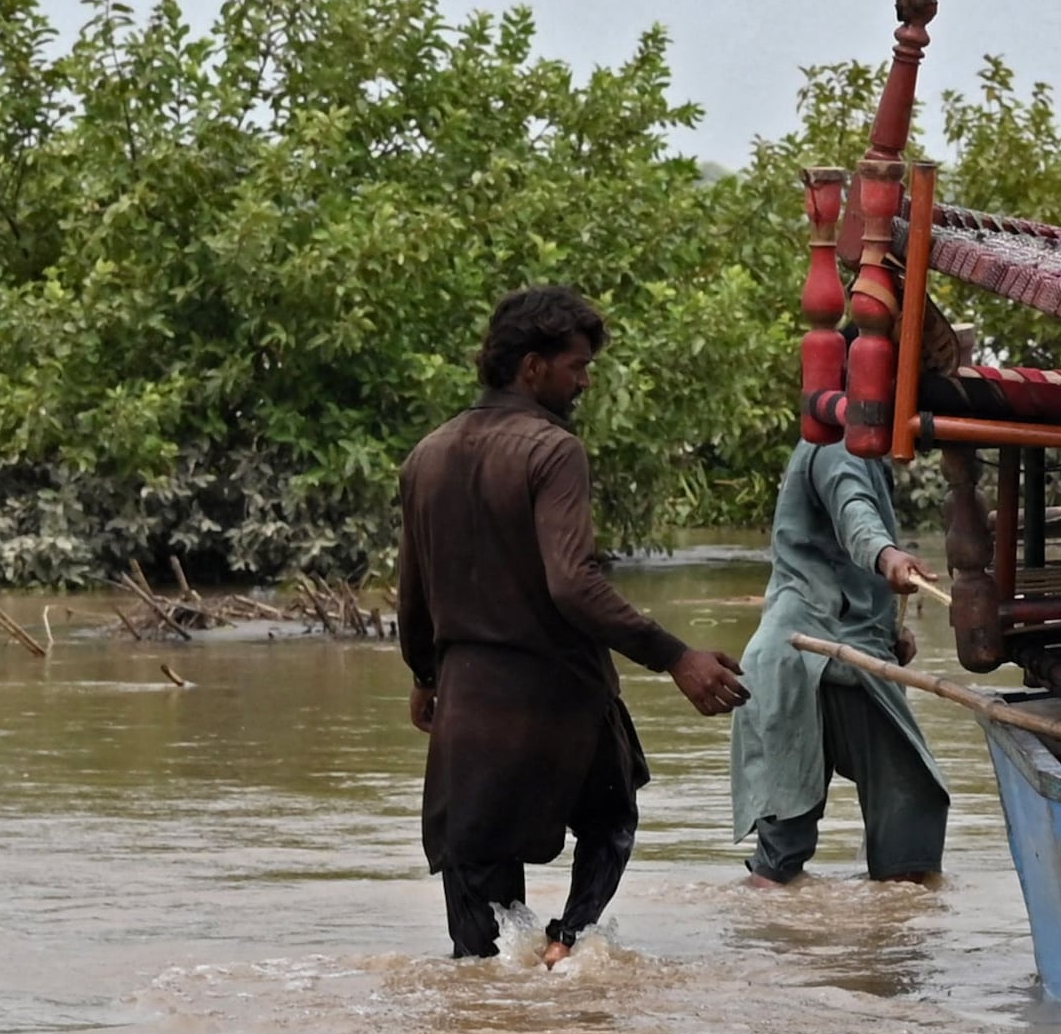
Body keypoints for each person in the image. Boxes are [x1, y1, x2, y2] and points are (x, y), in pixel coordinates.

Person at [398, 286, 743, 964]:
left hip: (467, 703)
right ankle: (564, 941)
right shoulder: (553, 450)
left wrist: (424, 674)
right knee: (610, 819)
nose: (585, 380)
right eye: (577, 366)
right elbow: (573, 583)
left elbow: (414, 593)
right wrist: (675, 655)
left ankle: (490, 1033)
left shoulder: (425, 457)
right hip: (560, 692)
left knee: (478, 918)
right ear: (532, 367)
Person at [730, 425, 948, 887]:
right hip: (820, 657)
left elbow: (839, 564)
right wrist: (888, 557)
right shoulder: (838, 445)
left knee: (780, 857)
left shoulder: (862, 451)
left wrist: (891, 629)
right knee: (911, 812)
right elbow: (855, 514)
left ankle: (760, 950)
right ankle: (894, 948)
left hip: (805, 655)